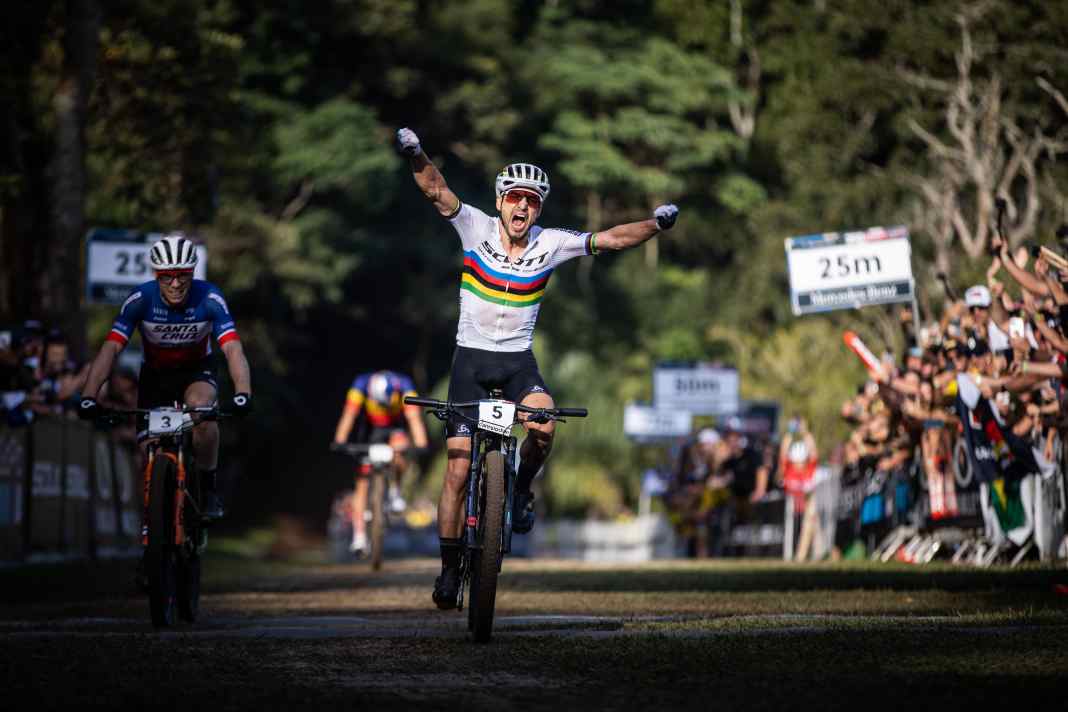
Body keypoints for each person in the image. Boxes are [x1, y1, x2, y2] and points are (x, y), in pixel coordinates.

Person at [396, 126, 680, 608]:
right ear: (501, 202)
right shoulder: (475, 228)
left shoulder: (551, 243)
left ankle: (522, 489)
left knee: (544, 424)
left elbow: (609, 239)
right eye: (515, 198)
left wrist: (656, 224)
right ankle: (448, 570)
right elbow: (436, 189)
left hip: (517, 364)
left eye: (532, 201)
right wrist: (416, 152)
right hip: (470, 357)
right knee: (457, 468)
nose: (522, 208)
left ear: (539, 209)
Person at [76, 233, 252, 523]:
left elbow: (233, 349)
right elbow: (110, 350)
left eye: (182, 275)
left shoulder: (209, 297)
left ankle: (208, 487)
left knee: (203, 415)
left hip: (196, 371)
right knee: (147, 452)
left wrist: (243, 392)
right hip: (156, 376)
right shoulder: (140, 299)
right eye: (167, 276)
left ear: (192, 273)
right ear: (156, 275)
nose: (175, 283)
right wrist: (88, 395)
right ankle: (151, 526)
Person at [332, 370, 429, 555]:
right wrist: (340, 440)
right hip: (370, 430)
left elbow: (414, 418)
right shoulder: (360, 385)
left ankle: (395, 490)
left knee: (400, 449)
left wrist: (421, 443)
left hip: (395, 427)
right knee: (361, 483)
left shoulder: (404, 386)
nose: (383, 406)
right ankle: (359, 537)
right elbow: (349, 415)